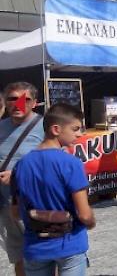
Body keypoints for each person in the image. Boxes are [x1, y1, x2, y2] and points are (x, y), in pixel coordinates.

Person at [11, 104, 95, 276]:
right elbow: (84, 214)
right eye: (75, 129)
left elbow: (16, 213)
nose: (80, 134)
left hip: (35, 246)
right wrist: (91, 222)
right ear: (56, 129)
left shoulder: (20, 166)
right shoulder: (71, 163)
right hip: (69, 244)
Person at [0, 82, 45, 276]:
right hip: (5, 203)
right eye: (12, 99)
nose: (18, 104)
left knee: (42, 253)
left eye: (25, 99)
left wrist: (19, 173)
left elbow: (56, 165)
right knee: (17, 254)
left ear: (34, 103)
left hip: (33, 202)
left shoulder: (46, 127)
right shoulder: (1, 126)